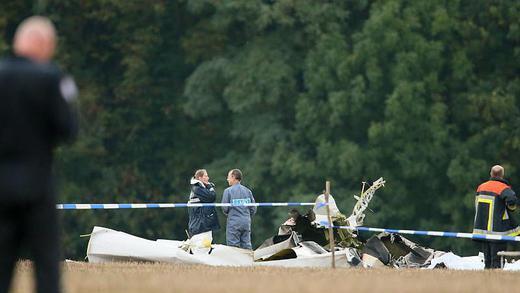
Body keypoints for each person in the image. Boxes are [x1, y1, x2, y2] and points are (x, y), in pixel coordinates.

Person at [0, 16, 78, 293]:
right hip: (37, 185)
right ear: (44, 44)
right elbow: (69, 130)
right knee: (46, 264)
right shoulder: (52, 77)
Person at [473, 165, 520, 269]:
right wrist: (511, 208)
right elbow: (512, 200)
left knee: (487, 261)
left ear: (491, 174)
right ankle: (496, 282)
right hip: (498, 232)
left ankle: (487, 282)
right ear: (502, 175)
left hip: (483, 231)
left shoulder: (481, 187)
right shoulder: (503, 188)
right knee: (497, 261)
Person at [221, 169, 256, 249]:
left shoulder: (228, 191)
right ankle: (248, 261)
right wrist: (246, 215)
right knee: (246, 245)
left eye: (228, 177)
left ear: (233, 177)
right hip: (246, 222)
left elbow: (225, 208)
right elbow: (253, 208)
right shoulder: (248, 191)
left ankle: (235, 262)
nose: (227, 179)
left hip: (233, 223)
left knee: (233, 247)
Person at [188, 169, 220, 237]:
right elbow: (212, 197)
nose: (208, 178)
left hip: (202, 224)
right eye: (206, 176)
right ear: (200, 178)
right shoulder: (197, 188)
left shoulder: (200, 188)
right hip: (200, 226)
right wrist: (210, 187)